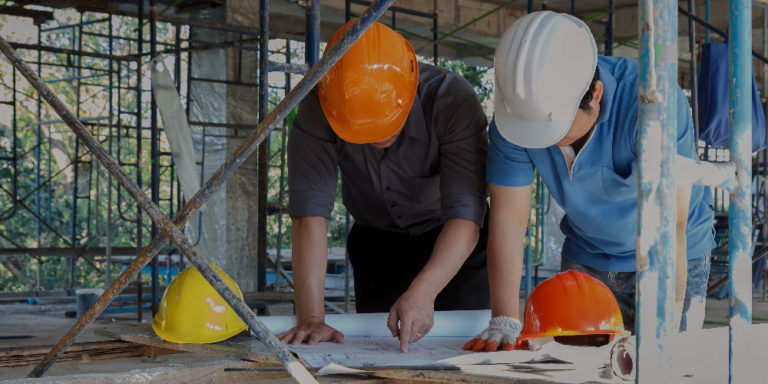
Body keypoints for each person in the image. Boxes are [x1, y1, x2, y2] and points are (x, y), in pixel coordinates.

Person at [464, 11, 715, 352]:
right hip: (588, 256)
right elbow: (508, 219)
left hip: (668, 253)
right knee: (574, 366)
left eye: (554, 130)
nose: (544, 143)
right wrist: (505, 318)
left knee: (669, 361)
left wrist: (667, 329)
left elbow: (673, 226)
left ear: (595, 94)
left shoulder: (653, 102)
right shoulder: (516, 117)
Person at [281, 19, 490, 352]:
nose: (377, 138)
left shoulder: (452, 100)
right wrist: (311, 317)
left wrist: (423, 291)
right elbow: (309, 216)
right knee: (382, 351)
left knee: (463, 346)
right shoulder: (317, 107)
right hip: (376, 240)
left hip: (454, 241)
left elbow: (465, 216)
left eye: (388, 128)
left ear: (410, 87)